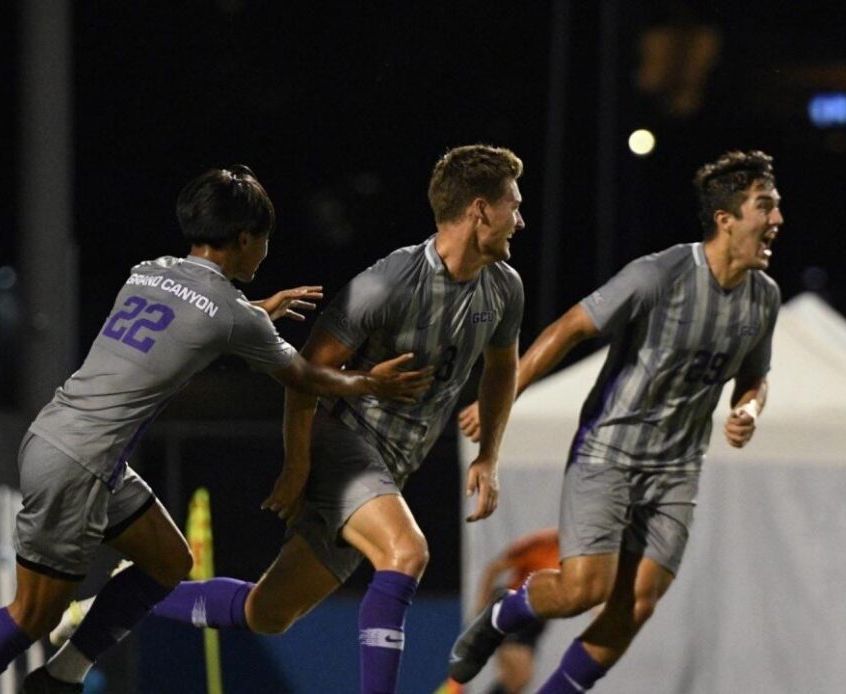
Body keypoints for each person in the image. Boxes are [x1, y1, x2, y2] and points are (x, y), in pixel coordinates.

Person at [0, 165, 433, 694]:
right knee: (31, 615)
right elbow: (304, 376)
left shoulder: (148, 270)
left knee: (168, 560)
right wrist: (371, 383)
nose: (266, 251)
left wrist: (256, 313)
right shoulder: (233, 316)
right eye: (265, 240)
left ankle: (62, 677)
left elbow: (191, 322)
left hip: (64, 440)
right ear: (243, 239)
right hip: (83, 464)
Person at [47, 144, 527, 693]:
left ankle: (120, 598)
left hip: (391, 468)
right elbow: (304, 376)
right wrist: (298, 464)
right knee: (407, 551)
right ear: (480, 210)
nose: (520, 218)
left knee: (267, 612)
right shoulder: (388, 282)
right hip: (344, 445)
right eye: (513, 205)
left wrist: (489, 455)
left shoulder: (504, 288)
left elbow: (500, 367)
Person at [449, 150, 783, 692]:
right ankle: (504, 615)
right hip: (609, 452)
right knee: (584, 590)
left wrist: (748, 407)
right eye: (764, 206)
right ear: (726, 219)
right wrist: (503, 399)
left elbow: (755, 376)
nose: (776, 220)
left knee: (639, 601)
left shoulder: (764, 298)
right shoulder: (661, 274)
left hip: (678, 469)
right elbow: (569, 328)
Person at [470, 528, 560, 694]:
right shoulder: (540, 543)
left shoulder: (581, 556)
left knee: (515, 682)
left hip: (535, 622)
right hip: (513, 612)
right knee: (519, 677)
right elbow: (494, 568)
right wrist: (480, 608)